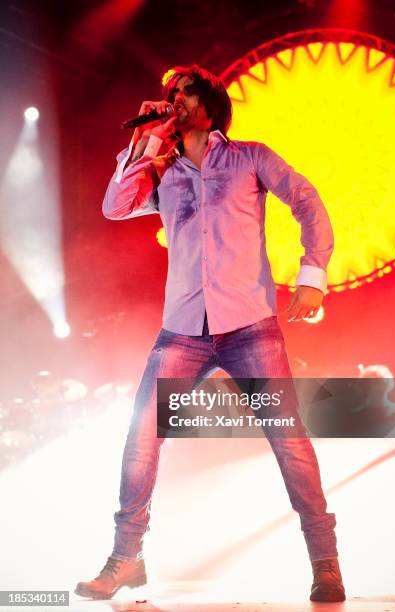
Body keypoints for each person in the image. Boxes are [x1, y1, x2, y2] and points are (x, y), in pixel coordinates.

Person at [75, 65, 345, 603]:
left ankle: (326, 562)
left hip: (249, 325)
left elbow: (308, 202)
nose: (172, 98)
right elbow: (113, 207)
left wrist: (312, 276)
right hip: (182, 329)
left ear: (210, 102)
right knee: (141, 440)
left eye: (183, 91)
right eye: (167, 93)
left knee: (290, 444)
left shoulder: (249, 157)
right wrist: (146, 140)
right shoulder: (162, 169)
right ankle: (125, 560)